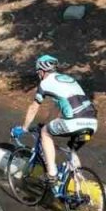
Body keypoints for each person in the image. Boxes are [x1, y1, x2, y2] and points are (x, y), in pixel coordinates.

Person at [11, 55, 98, 187]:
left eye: (38, 71)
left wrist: (24, 128)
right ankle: (78, 183)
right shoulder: (68, 79)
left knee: (45, 133)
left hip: (74, 121)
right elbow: (58, 107)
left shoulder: (45, 83)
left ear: (41, 71)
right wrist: (45, 123)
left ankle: (52, 173)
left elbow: (34, 107)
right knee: (71, 150)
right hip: (92, 122)